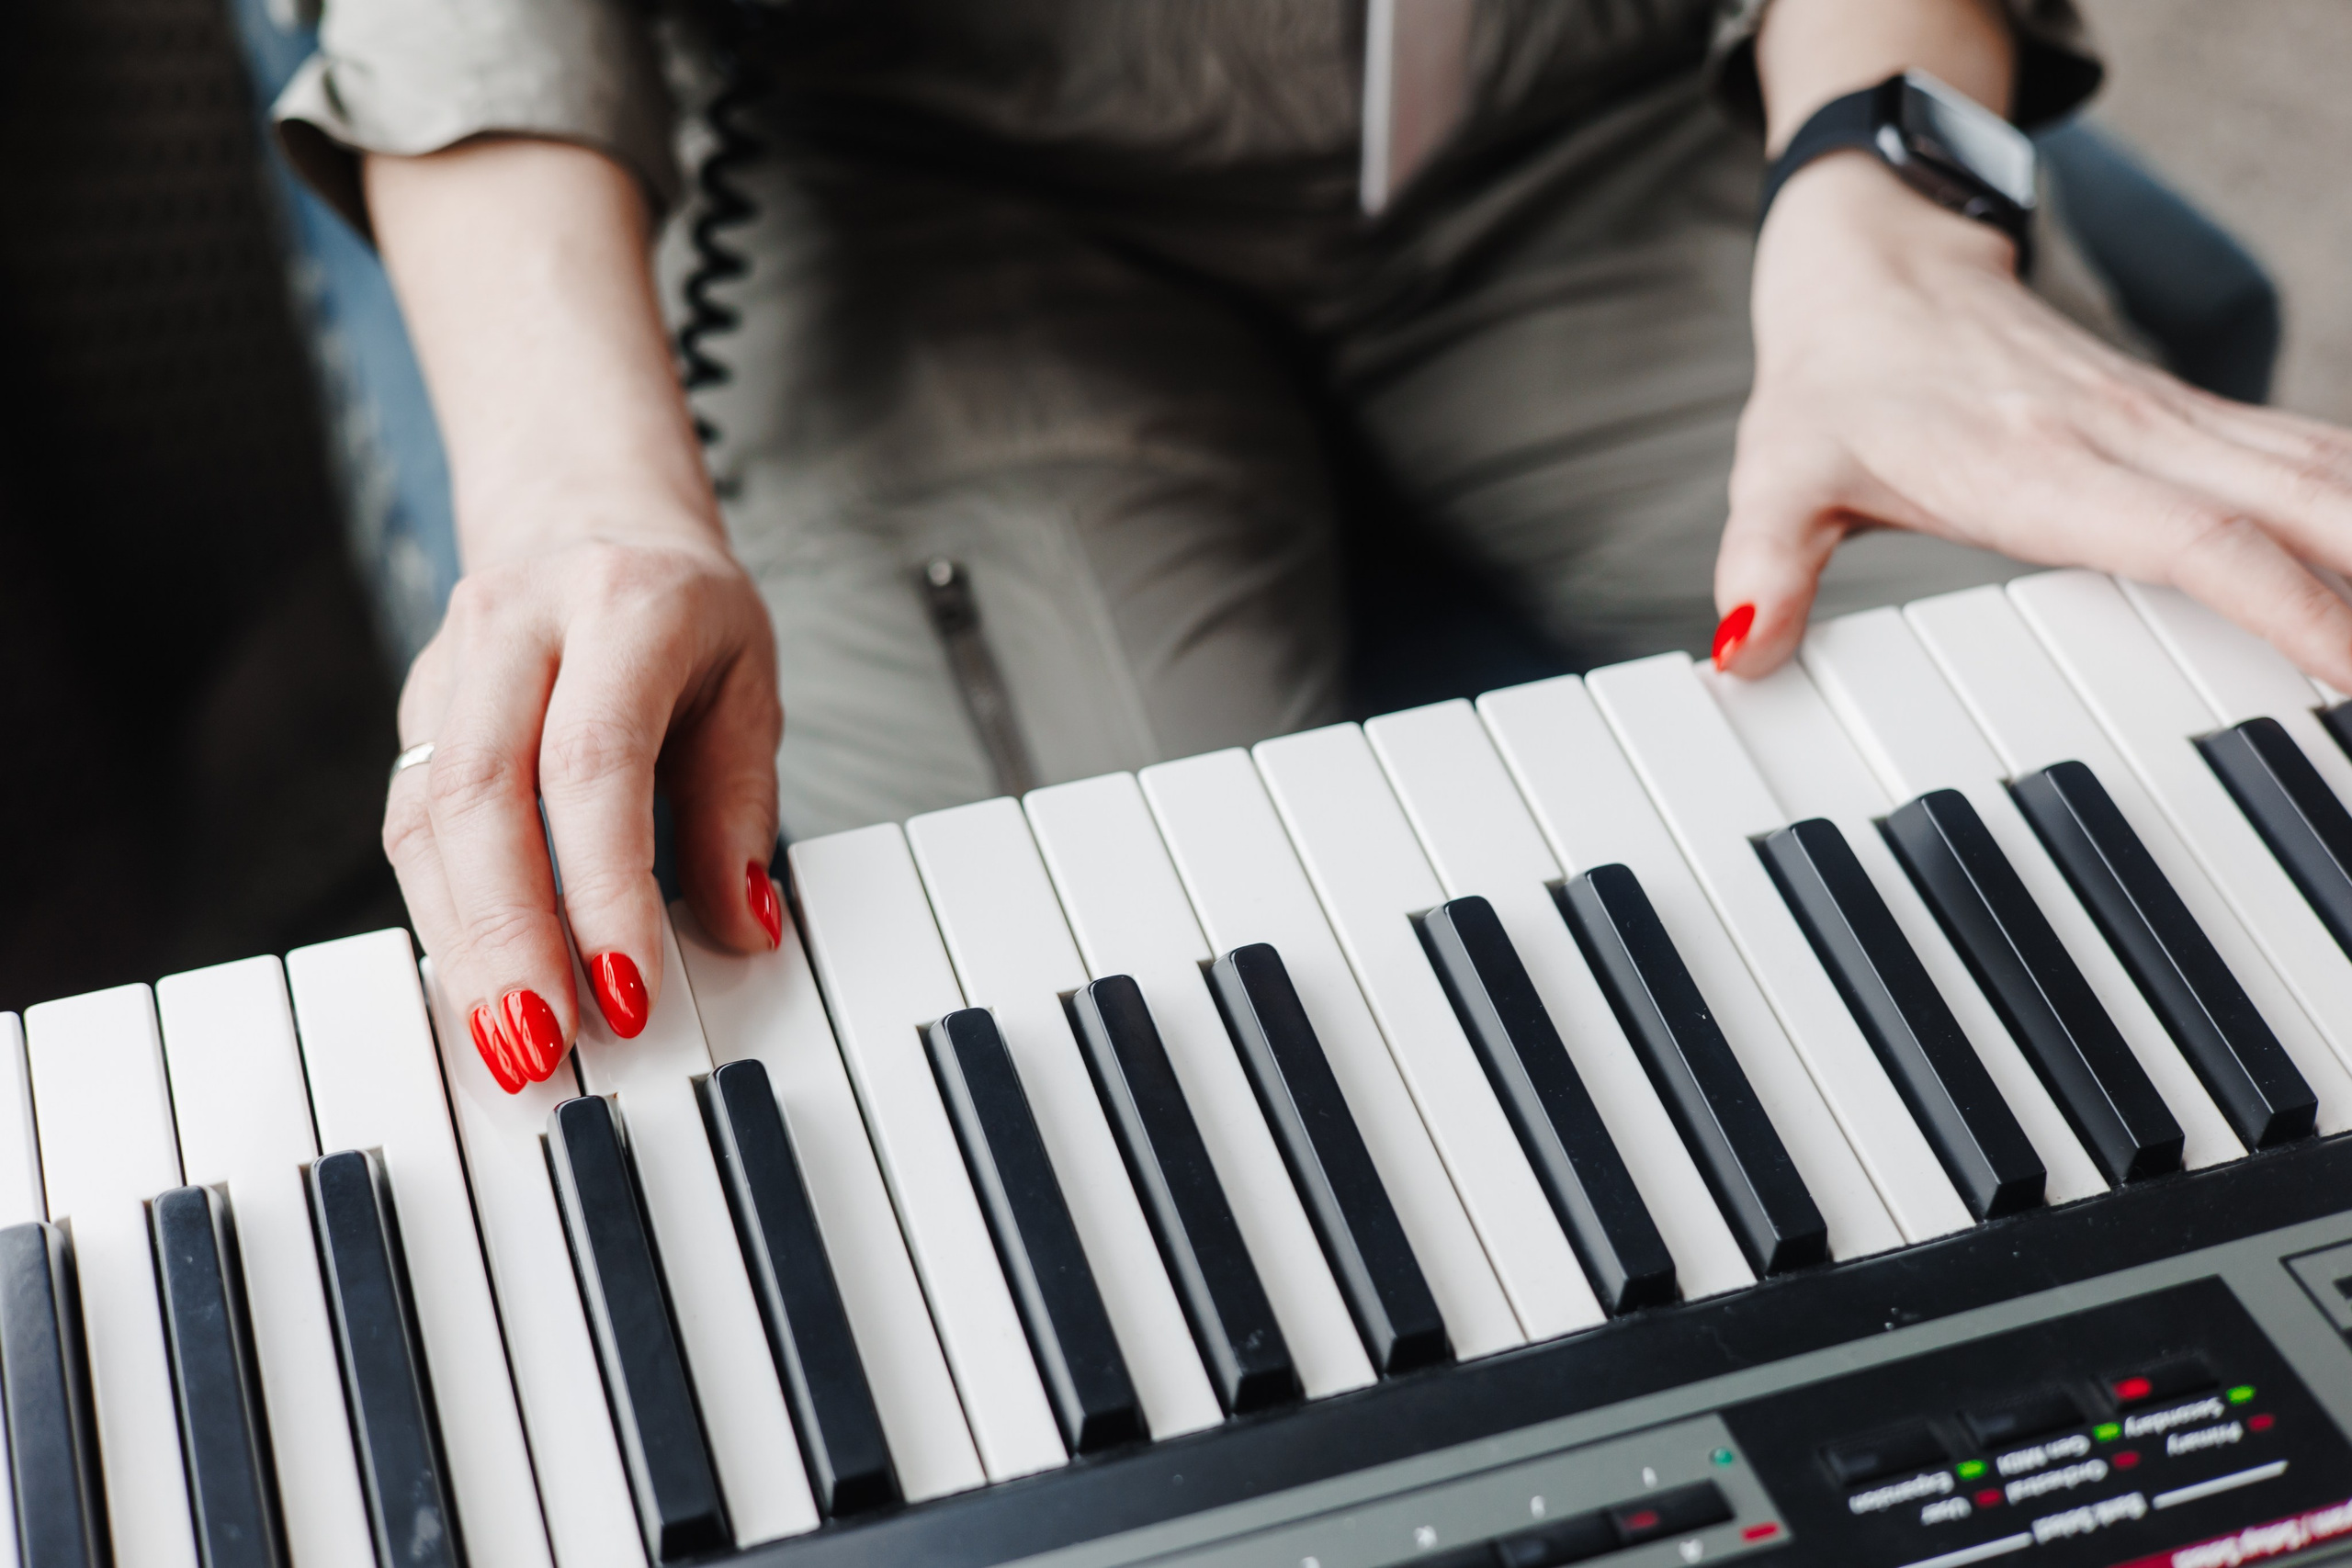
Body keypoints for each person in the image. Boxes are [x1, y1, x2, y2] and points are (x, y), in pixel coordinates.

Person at [275, 0, 2352, 1093]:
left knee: (2192, 771)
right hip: (916, 199)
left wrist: (1892, 206)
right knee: (1024, 1019)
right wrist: (579, 490)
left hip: (1633, 104)